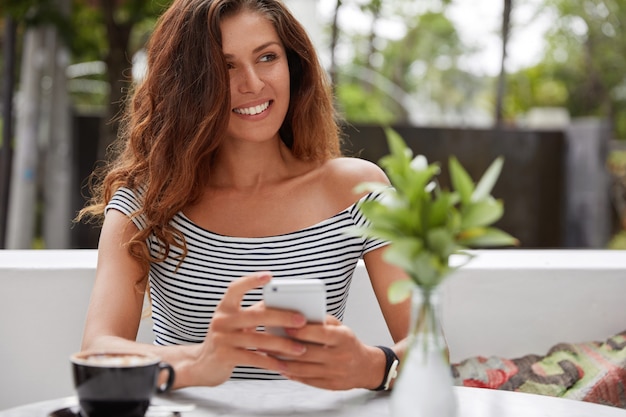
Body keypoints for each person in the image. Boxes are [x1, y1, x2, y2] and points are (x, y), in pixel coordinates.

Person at [78, 0, 409, 391]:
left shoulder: (359, 190)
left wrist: (372, 365)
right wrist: (199, 363)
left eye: (267, 57)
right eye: (225, 66)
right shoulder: (144, 202)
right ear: (187, 82)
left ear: (293, 65)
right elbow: (97, 354)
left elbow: (431, 349)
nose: (251, 83)